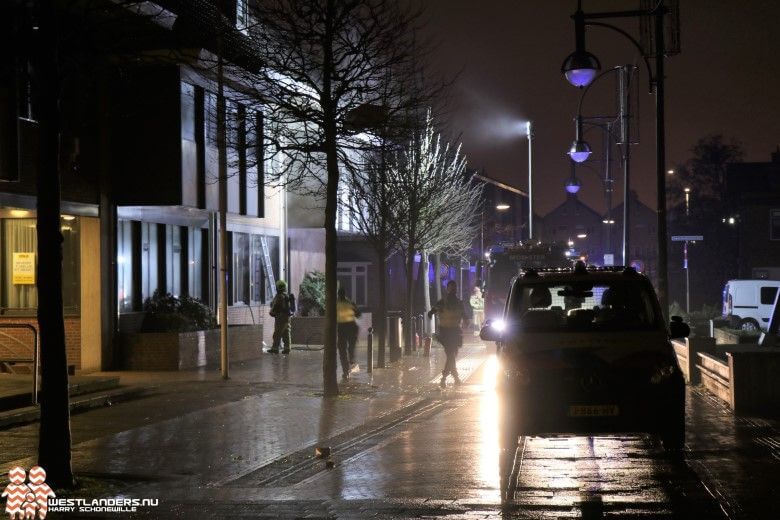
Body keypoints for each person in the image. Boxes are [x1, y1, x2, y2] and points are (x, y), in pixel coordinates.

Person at [428, 280, 468, 388]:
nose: (453, 290)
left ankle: (453, 377)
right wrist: (432, 313)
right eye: (452, 288)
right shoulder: (444, 302)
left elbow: (464, 316)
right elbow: (432, 311)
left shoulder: (455, 302)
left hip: (453, 332)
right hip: (447, 333)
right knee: (451, 354)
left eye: (454, 288)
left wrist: (432, 313)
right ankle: (446, 378)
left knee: (451, 355)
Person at [337, 287, 361, 380]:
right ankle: (350, 365)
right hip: (351, 328)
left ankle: (346, 371)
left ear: (338, 295)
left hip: (342, 329)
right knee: (350, 349)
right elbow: (358, 314)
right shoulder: (350, 303)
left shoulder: (335, 304)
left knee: (342, 351)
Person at [268, 280, 294, 354]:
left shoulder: (279, 296)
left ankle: (275, 348)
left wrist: (272, 312)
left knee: (277, 333)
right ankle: (287, 348)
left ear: (278, 287)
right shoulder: (286, 295)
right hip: (287, 317)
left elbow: (274, 305)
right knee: (286, 333)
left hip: (280, 317)